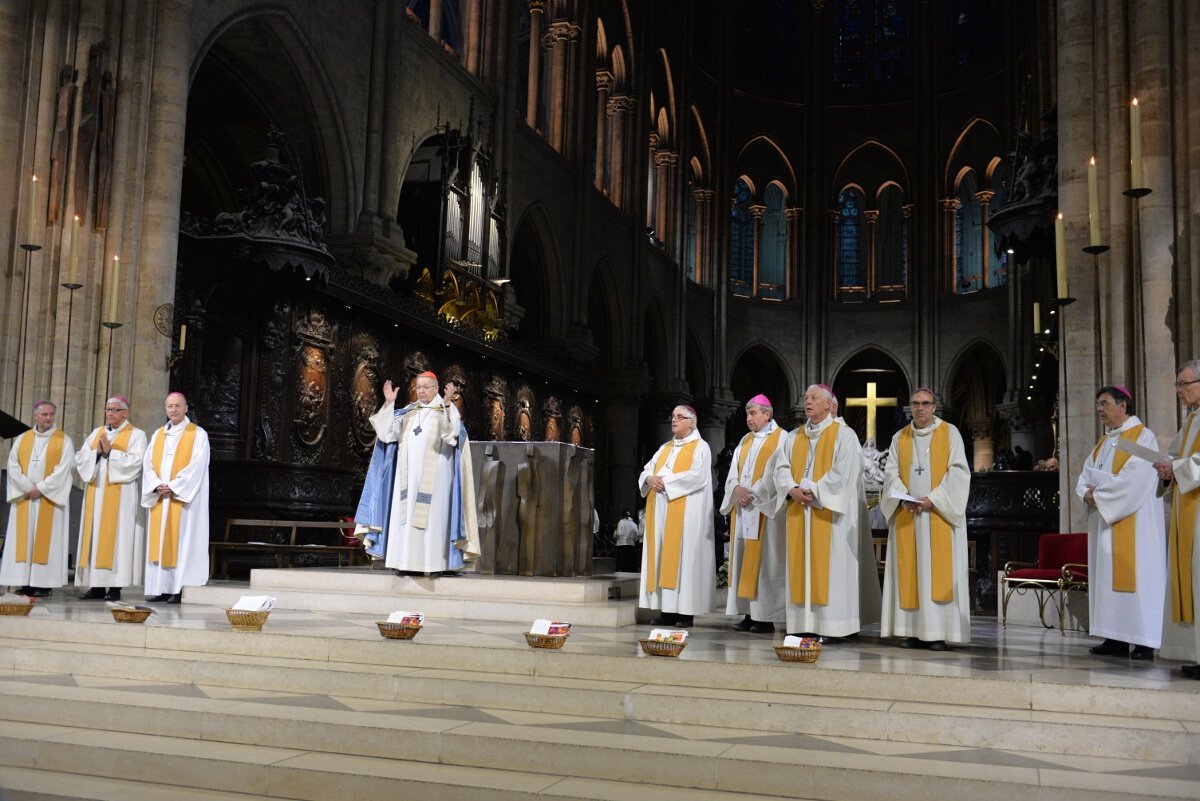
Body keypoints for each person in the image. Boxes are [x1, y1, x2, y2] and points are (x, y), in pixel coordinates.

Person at [770, 384, 867, 640]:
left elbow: (844, 474)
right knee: (801, 566)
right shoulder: (793, 437)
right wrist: (791, 489)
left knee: (832, 569)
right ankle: (803, 624)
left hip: (830, 516)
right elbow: (780, 468)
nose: (808, 402)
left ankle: (834, 627)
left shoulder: (845, 436)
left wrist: (812, 490)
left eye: (814, 398)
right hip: (799, 513)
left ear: (829, 404)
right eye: (806, 398)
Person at [879, 388, 972, 650]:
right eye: (916, 404)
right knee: (910, 570)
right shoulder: (900, 437)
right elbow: (891, 472)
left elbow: (958, 472)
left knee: (936, 572)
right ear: (910, 407)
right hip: (909, 514)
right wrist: (904, 496)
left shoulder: (950, 433)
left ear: (934, 407)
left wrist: (934, 499)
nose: (920, 408)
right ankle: (911, 630)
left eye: (926, 404)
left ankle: (938, 633)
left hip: (938, 514)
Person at [360, 371, 479, 574]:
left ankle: (434, 565)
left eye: (425, 387)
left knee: (433, 521)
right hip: (405, 480)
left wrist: (448, 404)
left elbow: (452, 434)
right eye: (418, 387)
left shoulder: (445, 411)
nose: (421, 391)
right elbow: (386, 433)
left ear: (436, 388)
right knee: (405, 520)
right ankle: (405, 563)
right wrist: (389, 404)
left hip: (437, 481)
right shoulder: (408, 412)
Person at [1077, 385, 1164, 660]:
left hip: (1135, 525)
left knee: (1138, 579)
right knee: (1107, 580)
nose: (1099, 409)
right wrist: (1087, 493)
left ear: (1123, 406)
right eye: (1098, 404)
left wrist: (1097, 495)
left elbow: (1136, 480)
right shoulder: (1106, 441)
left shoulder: (1143, 437)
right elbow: (1084, 474)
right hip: (1107, 523)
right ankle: (1114, 637)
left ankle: (1143, 641)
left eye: (1104, 403)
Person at [638, 405, 714, 627]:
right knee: (662, 557)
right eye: (672, 416)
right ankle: (667, 611)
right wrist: (650, 480)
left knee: (683, 561)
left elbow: (697, 477)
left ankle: (684, 613)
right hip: (661, 514)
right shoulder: (664, 448)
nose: (674, 420)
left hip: (685, 515)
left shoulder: (701, 447)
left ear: (692, 422)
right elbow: (646, 470)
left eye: (680, 417)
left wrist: (664, 482)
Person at [719, 394, 786, 633]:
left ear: (767, 414)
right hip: (743, 509)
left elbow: (777, 473)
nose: (748, 418)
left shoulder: (783, 439)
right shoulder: (745, 441)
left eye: (753, 413)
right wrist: (737, 488)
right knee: (742, 561)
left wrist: (753, 493)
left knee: (766, 563)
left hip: (764, 511)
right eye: (747, 413)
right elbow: (734, 471)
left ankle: (765, 617)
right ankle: (748, 613)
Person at [74, 396, 147, 602]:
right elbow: (80, 457)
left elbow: (137, 463)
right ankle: (96, 587)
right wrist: (96, 453)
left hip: (121, 498)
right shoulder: (97, 433)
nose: (110, 413)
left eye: (115, 410)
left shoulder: (137, 435)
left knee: (117, 540)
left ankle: (114, 588)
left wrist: (110, 453)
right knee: (95, 537)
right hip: (96, 494)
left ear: (126, 413)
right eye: (108, 409)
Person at [141, 392, 211, 603]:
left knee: (181, 541)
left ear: (186, 408)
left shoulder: (198, 434)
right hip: (161, 497)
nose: (173, 410)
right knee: (161, 541)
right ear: (165, 409)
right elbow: (148, 464)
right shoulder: (158, 435)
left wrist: (174, 486)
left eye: (178, 406)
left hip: (182, 500)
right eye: (170, 406)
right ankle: (161, 588)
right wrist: (155, 484)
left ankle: (179, 589)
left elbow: (198, 466)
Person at [1155, 360, 1200, 677]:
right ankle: (1193, 652)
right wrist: (1166, 468)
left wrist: (1178, 468)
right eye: (1177, 384)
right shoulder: (1192, 419)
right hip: (1189, 507)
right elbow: (1176, 455)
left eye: (1183, 383)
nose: (1179, 391)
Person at [1, 401, 73, 596]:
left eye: (51, 414)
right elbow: (13, 466)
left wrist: (41, 488)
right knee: (24, 541)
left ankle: (43, 584)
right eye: (44, 414)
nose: (48, 418)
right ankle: (23, 582)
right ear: (35, 417)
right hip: (25, 498)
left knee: (45, 541)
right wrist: (27, 487)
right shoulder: (23, 439)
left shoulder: (63, 440)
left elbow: (63, 470)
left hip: (48, 499)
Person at [614, 508, 640, 573]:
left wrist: (615, 534)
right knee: (629, 559)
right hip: (630, 544)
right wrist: (633, 540)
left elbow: (619, 533)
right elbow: (637, 535)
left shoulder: (621, 522)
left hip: (621, 543)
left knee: (621, 559)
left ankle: (620, 570)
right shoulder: (634, 524)